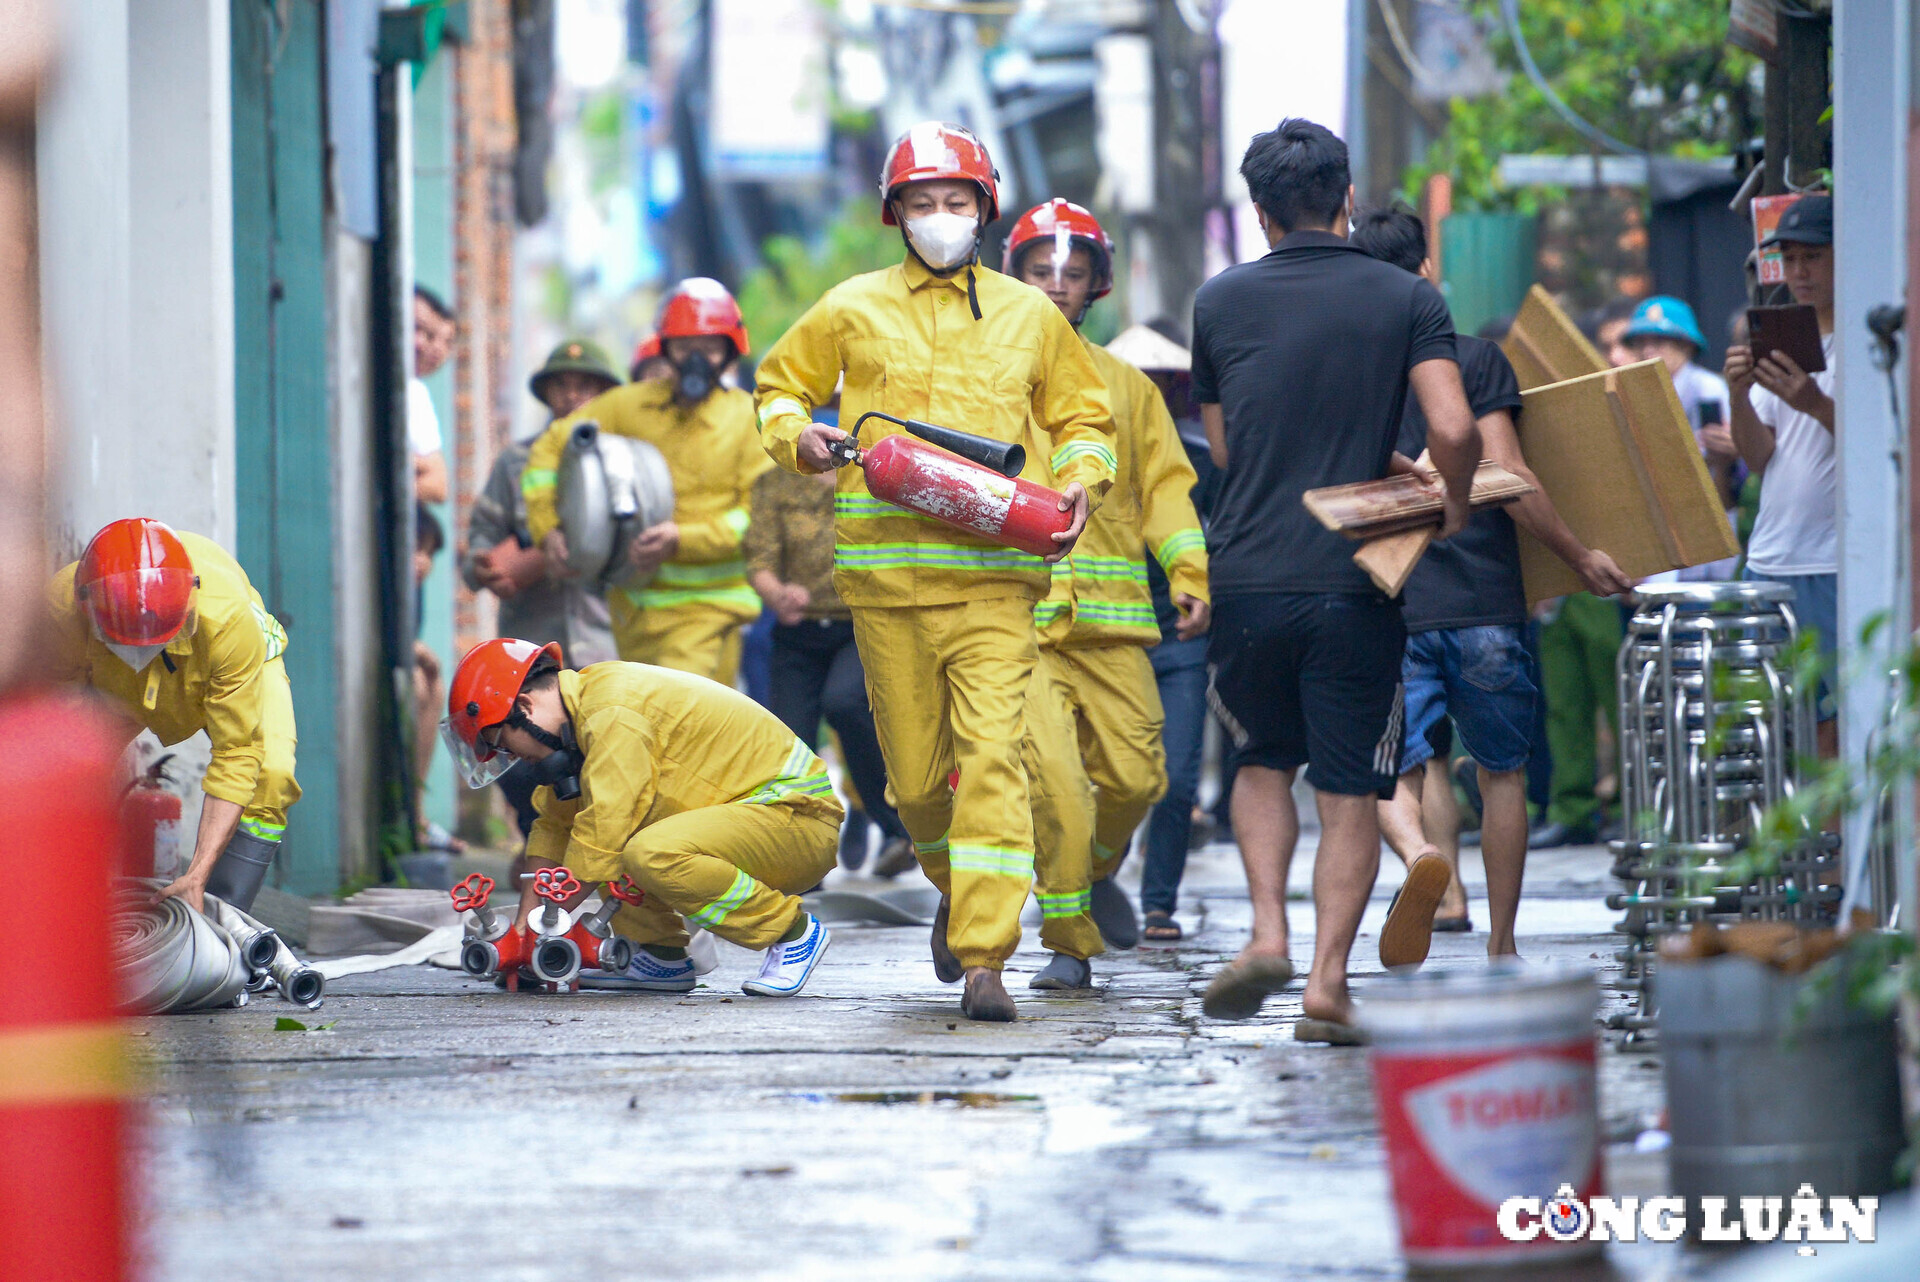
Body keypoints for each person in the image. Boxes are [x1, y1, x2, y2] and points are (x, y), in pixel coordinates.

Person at [753, 121, 1115, 1022]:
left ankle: (986, 956)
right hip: (883, 592)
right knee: (913, 785)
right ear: (896, 215)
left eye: (956, 202)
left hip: (996, 582)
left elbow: (1082, 420)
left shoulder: (1031, 316)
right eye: (923, 203)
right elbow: (778, 386)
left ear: (984, 210)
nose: (941, 217)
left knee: (994, 759)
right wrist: (797, 436)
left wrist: (1080, 484)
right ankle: (959, 890)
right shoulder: (852, 308)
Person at [1190, 118, 1480, 1040]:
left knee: (1259, 757)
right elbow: (1456, 430)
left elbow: (1233, 445)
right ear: (1347, 199)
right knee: (1351, 783)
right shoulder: (1404, 297)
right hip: (1352, 580)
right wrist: (1454, 503)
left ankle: (1266, 930)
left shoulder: (1219, 302)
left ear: (1259, 209)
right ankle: (1324, 983)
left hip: (1245, 572)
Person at [1349, 205, 1631, 967]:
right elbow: (1509, 478)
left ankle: (1421, 864)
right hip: (1484, 607)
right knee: (1502, 772)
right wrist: (1578, 557)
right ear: (1428, 271)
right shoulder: (1472, 362)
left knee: (1397, 766)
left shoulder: (1352, 371)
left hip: (1387, 601)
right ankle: (1502, 944)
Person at [1005, 199, 1211, 979]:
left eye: (1074, 272)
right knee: (1057, 786)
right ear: (1013, 273)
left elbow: (1165, 491)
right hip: (1016, 620)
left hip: (1116, 629)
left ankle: (1089, 873)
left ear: (1098, 285)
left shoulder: (1130, 388)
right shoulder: (985, 374)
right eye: (1040, 269)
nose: (1057, 284)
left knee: (1138, 781)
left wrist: (1189, 574)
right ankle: (1068, 942)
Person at [440, 638, 839, 996]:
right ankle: (659, 957)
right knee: (607, 840)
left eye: (502, 743)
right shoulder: (580, 725)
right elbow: (553, 830)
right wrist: (527, 931)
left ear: (524, 707)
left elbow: (603, 834)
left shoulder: (611, 712)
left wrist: (548, 925)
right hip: (756, 818)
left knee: (641, 850)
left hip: (794, 819)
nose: (512, 758)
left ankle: (791, 933)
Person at [525, 279, 770, 685]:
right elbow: (549, 449)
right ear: (665, 348)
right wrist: (547, 528)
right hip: (633, 609)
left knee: (677, 723)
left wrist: (683, 538)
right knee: (652, 730)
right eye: (684, 347)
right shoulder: (630, 406)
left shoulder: (748, 419)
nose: (696, 359)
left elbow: (756, 517)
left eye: (709, 348)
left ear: (729, 351)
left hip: (709, 614)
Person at [48, 518, 298, 912]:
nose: (141, 652)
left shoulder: (228, 620)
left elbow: (237, 753)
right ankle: (76, 909)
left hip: (216, 660)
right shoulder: (59, 613)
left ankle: (220, 923)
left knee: (272, 774)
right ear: (87, 606)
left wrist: (197, 871)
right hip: (114, 678)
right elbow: (53, 734)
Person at [464, 338, 622, 838]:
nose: (573, 396)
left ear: (605, 394)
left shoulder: (625, 459)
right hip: (531, 648)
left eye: (585, 386)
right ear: (547, 395)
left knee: (608, 746)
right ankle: (539, 842)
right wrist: (485, 569)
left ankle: (601, 850)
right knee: (517, 749)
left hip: (608, 632)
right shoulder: (515, 464)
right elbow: (478, 547)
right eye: (562, 386)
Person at [1106, 322, 1223, 943]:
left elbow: (1219, 535)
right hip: (1104, 634)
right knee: (1105, 777)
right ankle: (1095, 877)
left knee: (1176, 779)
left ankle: (1158, 903)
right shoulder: (1081, 457)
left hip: (1179, 637)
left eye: (1158, 386)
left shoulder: (1204, 462)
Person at [744, 453, 913, 877]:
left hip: (858, 624)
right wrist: (778, 594)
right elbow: (759, 560)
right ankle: (801, 857)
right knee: (790, 740)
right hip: (797, 633)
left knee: (845, 704)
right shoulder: (773, 484)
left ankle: (896, 829)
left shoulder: (875, 475)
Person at [1726, 193, 1838, 754]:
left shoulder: (1877, 338)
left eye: (1811, 258)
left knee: (1838, 720)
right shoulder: (1786, 335)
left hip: (1835, 559)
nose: (1798, 273)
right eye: (1789, 259)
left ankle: (1837, 842)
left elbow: (1894, 444)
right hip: (1772, 556)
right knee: (1772, 726)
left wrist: (1816, 402)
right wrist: (1739, 394)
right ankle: (1803, 839)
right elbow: (1759, 457)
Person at [1624, 295, 1740, 579]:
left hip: (1707, 521)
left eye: (1658, 341)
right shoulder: (1634, 391)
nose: (1648, 350)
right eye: (1641, 342)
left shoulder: (1708, 388)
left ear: (1685, 345)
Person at [411, 285, 455, 505]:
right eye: (411, 327)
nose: (420, 344)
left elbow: (438, 485)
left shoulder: (415, 392)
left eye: (427, 334)